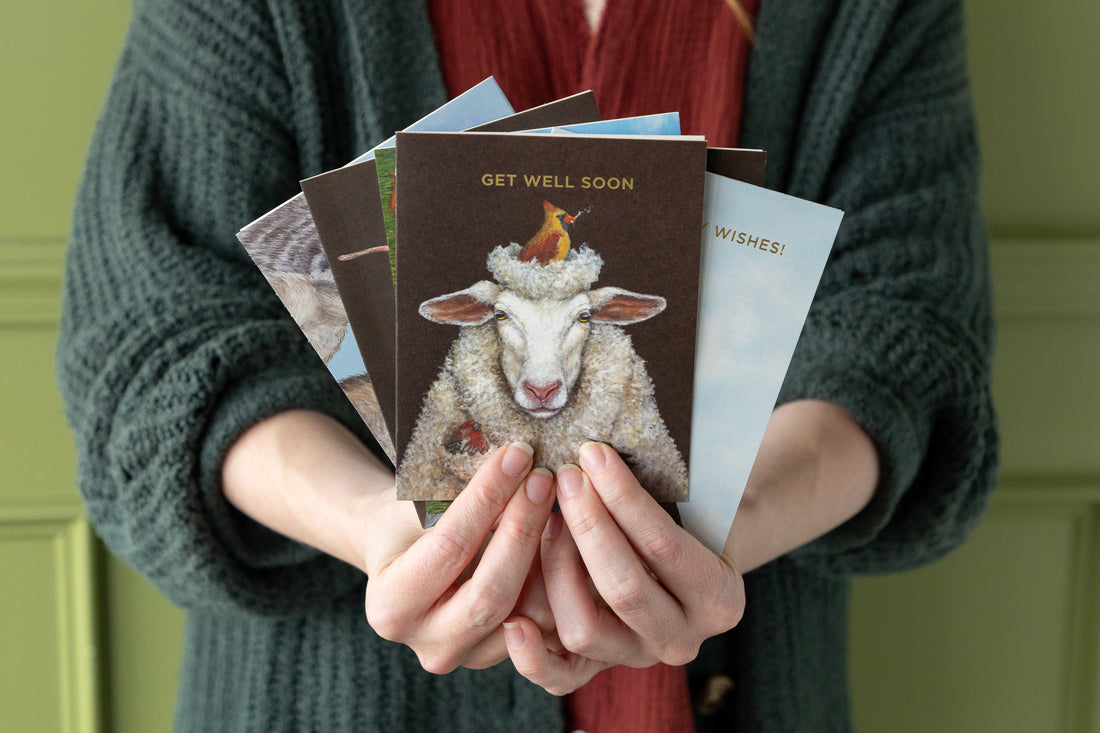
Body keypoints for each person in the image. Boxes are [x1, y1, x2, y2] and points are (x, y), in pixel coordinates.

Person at [56, 0, 998, 731]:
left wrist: (724, 525)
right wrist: (383, 531)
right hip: (330, 694)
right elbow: (155, 339)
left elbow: (905, 334)